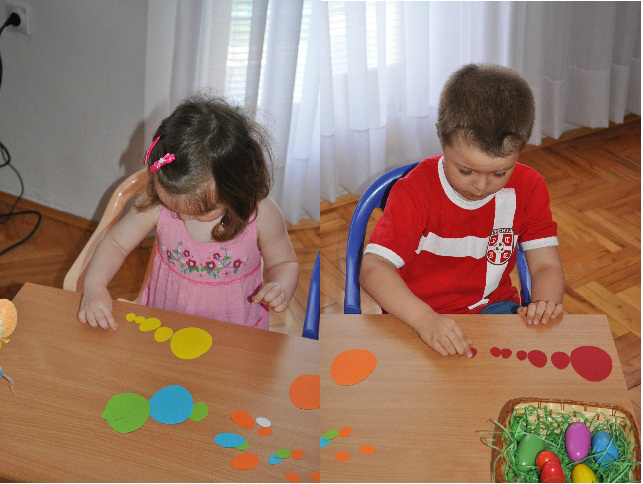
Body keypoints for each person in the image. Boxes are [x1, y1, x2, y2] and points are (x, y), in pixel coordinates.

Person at [360, 64, 565, 358]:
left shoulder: (529, 186)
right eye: (466, 170)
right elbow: (374, 269)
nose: (481, 186)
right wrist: (424, 319)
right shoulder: (415, 191)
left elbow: (546, 265)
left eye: (500, 173)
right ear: (441, 137)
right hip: (414, 317)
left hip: (494, 310)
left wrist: (545, 304)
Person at [78, 94, 299, 331]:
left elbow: (285, 263)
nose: (182, 217)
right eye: (174, 206)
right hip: (166, 324)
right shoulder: (155, 204)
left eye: (201, 211)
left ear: (236, 189)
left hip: (236, 333)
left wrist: (281, 287)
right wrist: (95, 286)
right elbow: (115, 244)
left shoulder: (262, 215)